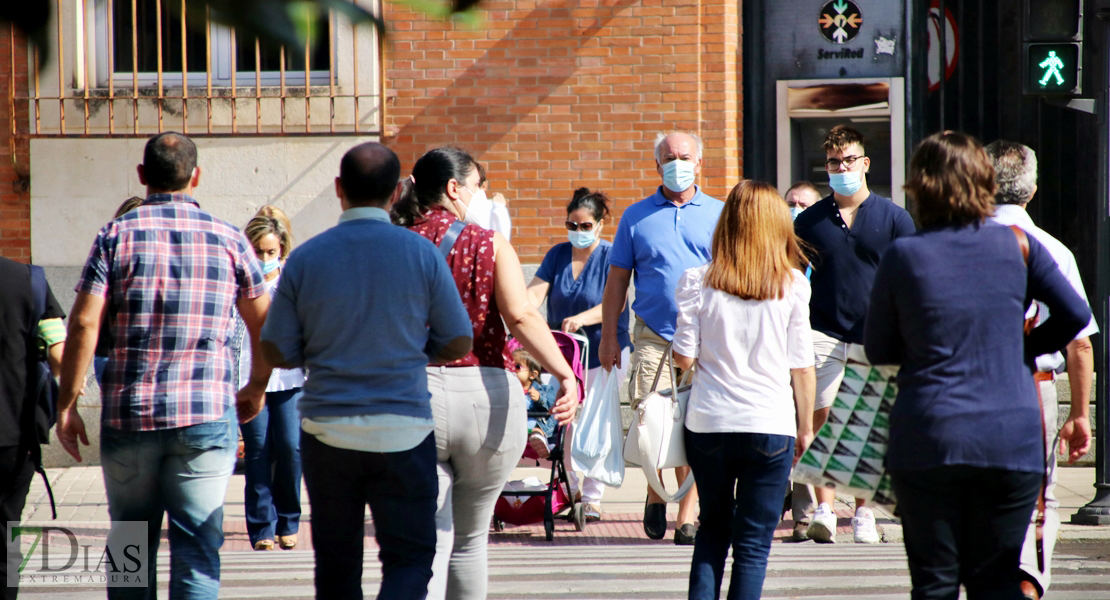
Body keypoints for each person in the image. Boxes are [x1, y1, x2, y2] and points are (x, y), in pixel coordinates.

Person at [864, 131, 1090, 599]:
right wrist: (1022, 350)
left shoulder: (903, 255)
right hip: (1010, 436)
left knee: (935, 582)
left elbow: (878, 349)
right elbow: (1075, 316)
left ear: (919, 187)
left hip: (930, 435)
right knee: (996, 580)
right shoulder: (1018, 245)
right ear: (984, 182)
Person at [55, 132, 272, 599]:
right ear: (196, 177)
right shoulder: (230, 238)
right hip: (205, 414)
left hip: (130, 413)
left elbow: (84, 324)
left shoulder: (115, 235)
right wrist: (256, 386)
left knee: (131, 547)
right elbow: (265, 324)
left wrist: (68, 402)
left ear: (142, 176)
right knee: (197, 550)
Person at [261, 142, 474, 599]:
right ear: (397, 192)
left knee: (336, 569)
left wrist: (317, 350)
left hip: (327, 430)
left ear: (338, 189)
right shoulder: (421, 254)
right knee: (410, 559)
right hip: (405, 428)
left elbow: (276, 347)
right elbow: (459, 339)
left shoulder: (305, 258)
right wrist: (416, 350)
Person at [392, 146, 579, 600]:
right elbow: (521, 316)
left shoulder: (395, 242)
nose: (483, 196)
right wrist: (564, 374)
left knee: (430, 536)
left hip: (416, 396)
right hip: (485, 395)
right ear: (454, 188)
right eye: (477, 186)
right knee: (472, 540)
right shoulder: (488, 242)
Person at [673, 180, 816, 600]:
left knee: (712, 531)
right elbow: (802, 367)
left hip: (709, 421)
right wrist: (805, 428)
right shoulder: (792, 284)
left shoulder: (697, 280)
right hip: (770, 423)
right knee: (754, 546)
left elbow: (683, 356)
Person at [984, 140, 1097, 600]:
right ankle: (1027, 576)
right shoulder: (1053, 250)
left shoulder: (954, 243)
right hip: (1034, 387)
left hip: (967, 388)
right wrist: (1081, 412)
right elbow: (1080, 343)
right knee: (1038, 493)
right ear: (1031, 191)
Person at [791, 124, 915, 544]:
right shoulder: (809, 220)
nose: (840, 167)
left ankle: (864, 514)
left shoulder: (895, 217)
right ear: (825, 166)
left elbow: (912, 277)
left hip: (875, 333)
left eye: (848, 160)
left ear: (864, 163)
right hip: (821, 330)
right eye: (833, 162)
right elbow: (790, 276)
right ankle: (824, 509)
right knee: (822, 418)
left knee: (867, 423)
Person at [600, 131, 723, 545]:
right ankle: (656, 490)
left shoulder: (721, 214)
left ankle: (687, 513)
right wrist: (608, 337)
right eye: (669, 157)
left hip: (707, 338)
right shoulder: (636, 217)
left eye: (685, 156)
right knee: (650, 418)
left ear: (699, 163)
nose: (677, 162)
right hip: (653, 334)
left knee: (696, 424)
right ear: (657, 166)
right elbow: (618, 279)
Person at [526, 187, 632, 522]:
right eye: (572, 225)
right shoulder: (556, 255)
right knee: (566, 423)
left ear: (601, 225)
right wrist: (519, 312)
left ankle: (593, 497)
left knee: (595, 423)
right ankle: (569, 490)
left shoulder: (611, 256)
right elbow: (535, 294)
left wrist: (582, 318)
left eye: (586, 226)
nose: (578, 232)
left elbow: (615, 301)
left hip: (604, 349)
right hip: (563, 355)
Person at [231, 206, 306, 551]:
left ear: (283, 252)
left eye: (271, 252)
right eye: (258, 251)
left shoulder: (292, 283)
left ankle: (289, 519)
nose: (264, 258)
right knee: (258, 450)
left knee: (290, 447)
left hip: (288, 378)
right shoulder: (237, 283)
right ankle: (262, 526)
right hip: (249, 377)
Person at [0, 258, 66, 600]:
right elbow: (59, 354)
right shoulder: (30, 280)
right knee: (5, 532)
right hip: (14, 433)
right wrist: (68, 404)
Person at [92, 196, 144, 386]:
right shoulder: (110, 256)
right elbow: (89, 320)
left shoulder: (109, 254)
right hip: (113, 355)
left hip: (115, 356)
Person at [511, 346, 557, 459]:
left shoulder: (543, 390)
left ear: (532, 374)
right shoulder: (510, 389)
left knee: (541, 424)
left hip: (534, 425)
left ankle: (539, 439)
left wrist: (540, 398)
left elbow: (551, 405)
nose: (511, 370)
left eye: (517, 367)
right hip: (514, 427)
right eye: (509, 366)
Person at [476, 162, 512, 240]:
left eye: (474, 185)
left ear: (484, 186)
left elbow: (503, 241)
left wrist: (499, 209)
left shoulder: (495, 208)